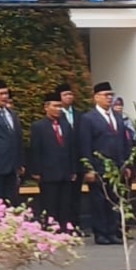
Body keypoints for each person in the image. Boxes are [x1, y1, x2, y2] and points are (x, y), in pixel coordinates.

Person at [79, 81, 134, 245]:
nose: (109, 98)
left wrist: (126, 164)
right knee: (99, 201)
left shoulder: (117, 117)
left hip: (117, 167)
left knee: (115, 199)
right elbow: (84, 144)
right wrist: (88, 169)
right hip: (98, 167)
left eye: (111, 95)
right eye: (105, 95)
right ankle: (101, 233)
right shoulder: (88, 118)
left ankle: (113, 231)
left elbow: (123, 142)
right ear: (96, 97)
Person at [27, 93, 80, 229]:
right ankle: (50, 229)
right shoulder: (38, 126)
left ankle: (64, 229)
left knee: (65, 204)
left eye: (60, 106)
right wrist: (36, 171)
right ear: (46, 107)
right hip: (48, 172)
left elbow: (72, 148)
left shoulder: (66, 125)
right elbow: (35, 149)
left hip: (65, 172)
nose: (58, 109)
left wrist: (74, 169)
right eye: (55, 106)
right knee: (49, 204)